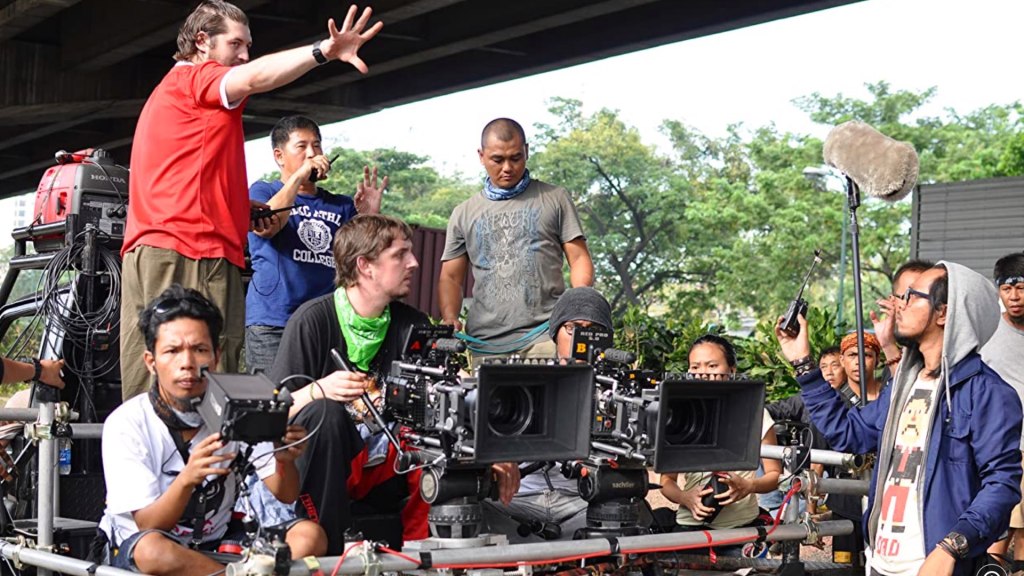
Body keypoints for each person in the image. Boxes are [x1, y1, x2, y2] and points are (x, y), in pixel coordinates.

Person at [119, 1, 383, 400]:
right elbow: (255, 77)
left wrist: (241, 211)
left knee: (158, 378)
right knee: (208, 384)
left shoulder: (171, 94)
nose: (244, 55)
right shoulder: (197, 79)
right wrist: (323, 51)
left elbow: (185, 179)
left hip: (160, 248)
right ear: (202, 42)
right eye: (236, 44)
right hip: (191, 252)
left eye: (248, 46)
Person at [267, 214, 520, 554]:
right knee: (325, 414)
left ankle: (425, 552)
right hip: (325, 467)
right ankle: (331, 551)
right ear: (365, 265)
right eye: (400, 254)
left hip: (391, 466)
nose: (414, 263)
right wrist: (318, 390)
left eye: (411, 253)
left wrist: (495, 449)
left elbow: (452, 398)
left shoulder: (413, 324)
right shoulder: (313, 321)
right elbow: (271, 414)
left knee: (437, 416)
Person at [776, 262, 1022, 576]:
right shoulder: (902, 386)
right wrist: (802, 363)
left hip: (935, 565)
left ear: (944, 313)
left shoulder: (989, 393)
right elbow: (849, 433)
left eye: (911, 297)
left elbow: (1001, 485)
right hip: (880, 562)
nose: (899, 306)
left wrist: (952, 548)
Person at [98, 285, 326, 575]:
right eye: (172, 351)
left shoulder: (237, 407)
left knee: (310, 536)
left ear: (216, 356)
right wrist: (187, 478)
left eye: (199, 349)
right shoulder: (128, 421)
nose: (187, 363)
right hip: (142, 546)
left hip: (216, 544)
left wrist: (284, 460)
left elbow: (286, 494)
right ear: (151, 362)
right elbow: (149, 524)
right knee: (152, 551)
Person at [438, 118, 594, 359]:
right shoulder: (464, 212)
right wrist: (450, 317)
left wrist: (579, 308)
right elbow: (450, 276)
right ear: (481, 156)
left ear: (527, 152)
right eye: (497, 160)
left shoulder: (555, 198)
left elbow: (579, 258)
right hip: (485, 344)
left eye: (516, 157)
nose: (507, 168)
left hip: (545, 337)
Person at [245, 115, 385, 374]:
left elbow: (367, 260)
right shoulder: (262, 192)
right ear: (279, 156)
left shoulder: (341, 204)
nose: (312, 153)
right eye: (302, 146)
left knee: (324, 403)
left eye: (317, 146)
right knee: (271, 402)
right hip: (274, 322)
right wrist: (298, 177)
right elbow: (268, 225)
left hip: (325, 321)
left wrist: (370, 215)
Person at [483, 286, 613, 542]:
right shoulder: (518, 382)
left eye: (593, 330)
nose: (582, 338)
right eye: (573, 328)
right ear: (555, 333)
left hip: (583, 506)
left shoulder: (616, 394)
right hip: (515, 502)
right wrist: (497, 456)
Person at [659, 335, 781, 540]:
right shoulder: (679, 417)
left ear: (732, 370)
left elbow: (775, 475)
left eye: (712, 365)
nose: (703, 374)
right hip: (690, 528)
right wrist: (685, 498)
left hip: (744, 529)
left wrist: (749, 486)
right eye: (695, 367)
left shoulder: (755, 414)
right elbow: (666, 481)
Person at [981, 252, 1024, 573]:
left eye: (1021, 288)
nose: (1014, 297)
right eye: (1007, 289)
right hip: (1003, 446)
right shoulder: (987, 331)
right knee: (1001, 526)